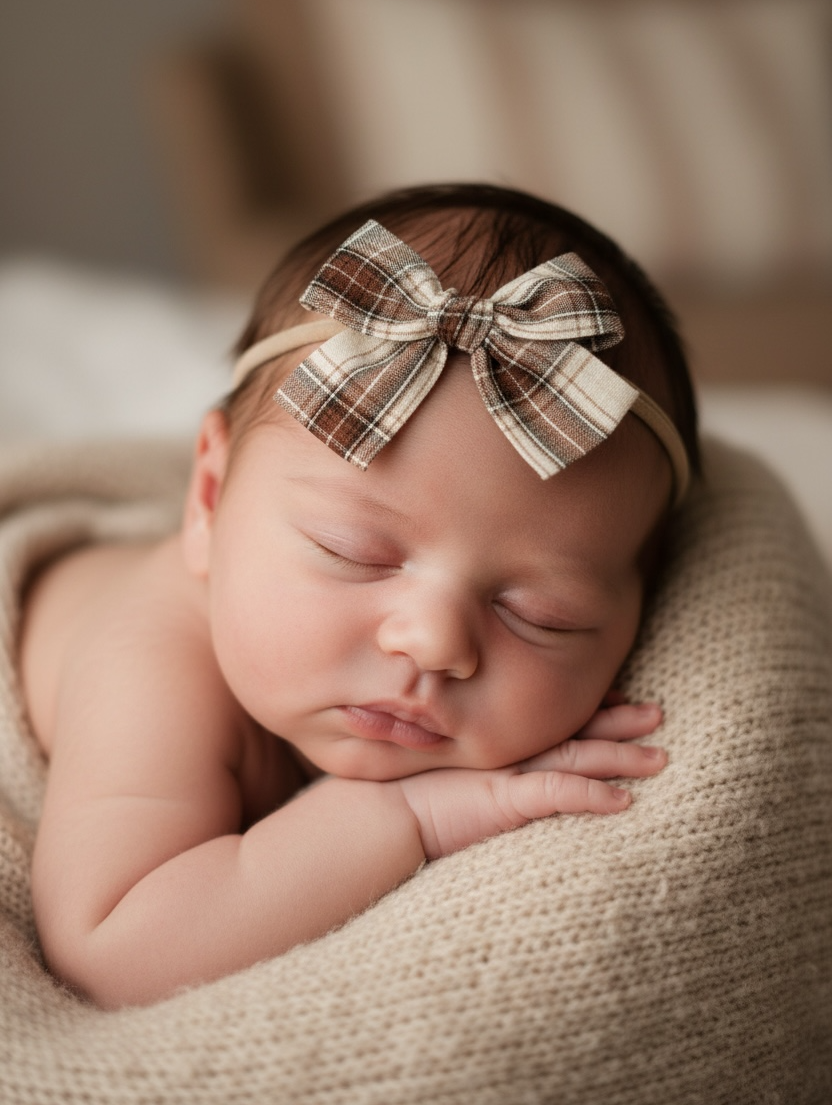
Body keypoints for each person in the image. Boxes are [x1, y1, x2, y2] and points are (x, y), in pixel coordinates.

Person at [20, 184, 699, 1010]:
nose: (433, 642)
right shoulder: (152, 668)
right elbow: (115, 949)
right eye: (354, 553)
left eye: (539, 614)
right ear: (206, 496)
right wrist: (409, 819)